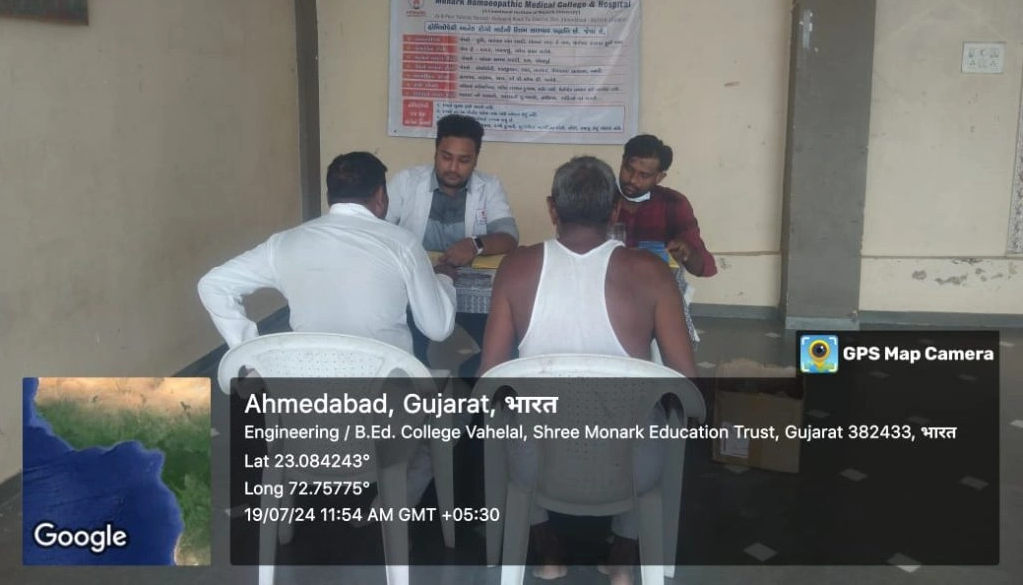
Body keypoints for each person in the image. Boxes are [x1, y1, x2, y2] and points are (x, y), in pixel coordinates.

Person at [479, 156, 697, 584]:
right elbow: (688, 385)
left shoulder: (516, 267)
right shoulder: (651, 272)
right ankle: (622, 557)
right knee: (660, 412)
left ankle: (548, 552)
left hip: (534, 464)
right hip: (632, 467)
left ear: (552, 209)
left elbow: (489, 378)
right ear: (616, 211)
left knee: (509, 415)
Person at [197, 151, 456, 355]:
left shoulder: (284, 243)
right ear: (380, 196)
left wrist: (248, 352)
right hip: (386, 396)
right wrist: (444, 279)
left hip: (310, 396)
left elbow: (214, 284)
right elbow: (438, 328)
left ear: (329, 196)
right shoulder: (402, 243)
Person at [387, 114, 519, 366]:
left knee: (503, 354)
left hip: (470, 290)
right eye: (446, 157)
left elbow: (509, 236)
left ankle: (470, 386)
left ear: (476, 159)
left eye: (464, 160)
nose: (453, 168)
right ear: (436, 151)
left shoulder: (489, 186)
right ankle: (421, 386)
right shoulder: (407, 182)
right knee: (408, 357)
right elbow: (379, 230)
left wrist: (475, 245)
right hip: (417, 288)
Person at [614, 133, 717, 277]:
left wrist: (687, 253)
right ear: (622, 162)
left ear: (659, 177)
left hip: (655, 285)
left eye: (644, 175)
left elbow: (706, 268)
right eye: (629, 169)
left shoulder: (673, 203)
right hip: (606, 285)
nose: (633, 180)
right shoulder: (599, 196)